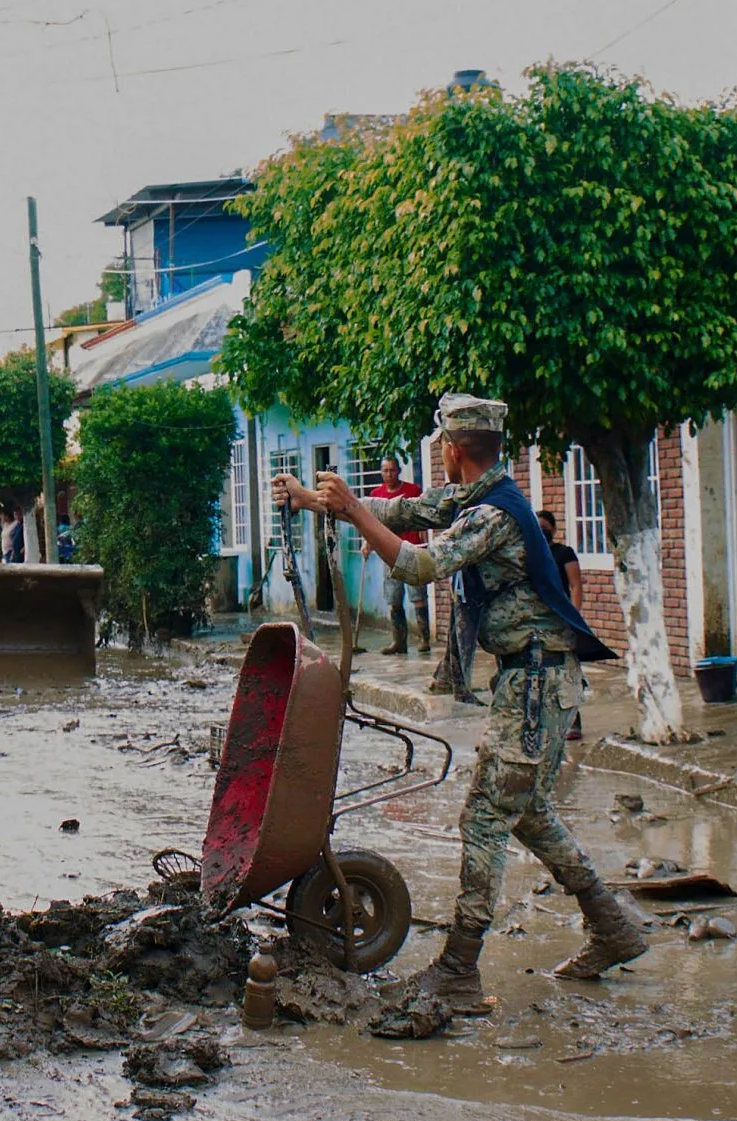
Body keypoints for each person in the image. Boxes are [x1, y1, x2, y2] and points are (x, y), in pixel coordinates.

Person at [272, 393, 643, 1011]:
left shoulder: (491, 515)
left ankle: (460, 970)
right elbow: (413, 509)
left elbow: (419, 564)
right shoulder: (479, 494)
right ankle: (613, 927)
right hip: (533, 681)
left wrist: (357, 515)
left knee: (485, 817)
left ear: (452, 449)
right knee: (525, 812)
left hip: (535, 686)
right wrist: (324, 504)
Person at [368, 456, 431, 655]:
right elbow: (371, 523)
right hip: (389, 553)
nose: (389, 474)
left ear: (398, 471)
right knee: (393, 599)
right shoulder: (376, 495)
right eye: (385, 470)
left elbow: (423, 517)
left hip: (412, 550)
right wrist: (367, 543)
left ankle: (424, 638)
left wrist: (424, 536)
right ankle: (399, 642)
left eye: (392, 470)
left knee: (417, 596)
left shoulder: (412, 491)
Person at [538, 509, 587, 741]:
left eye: (545, 528)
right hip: (537, 622)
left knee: (567, 673)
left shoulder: (563, 553)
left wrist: (574, 617)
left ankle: (573, 722)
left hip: (561, 619)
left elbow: (576, 586)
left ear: (554, 530)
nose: (541, 532)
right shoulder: (529, 553)